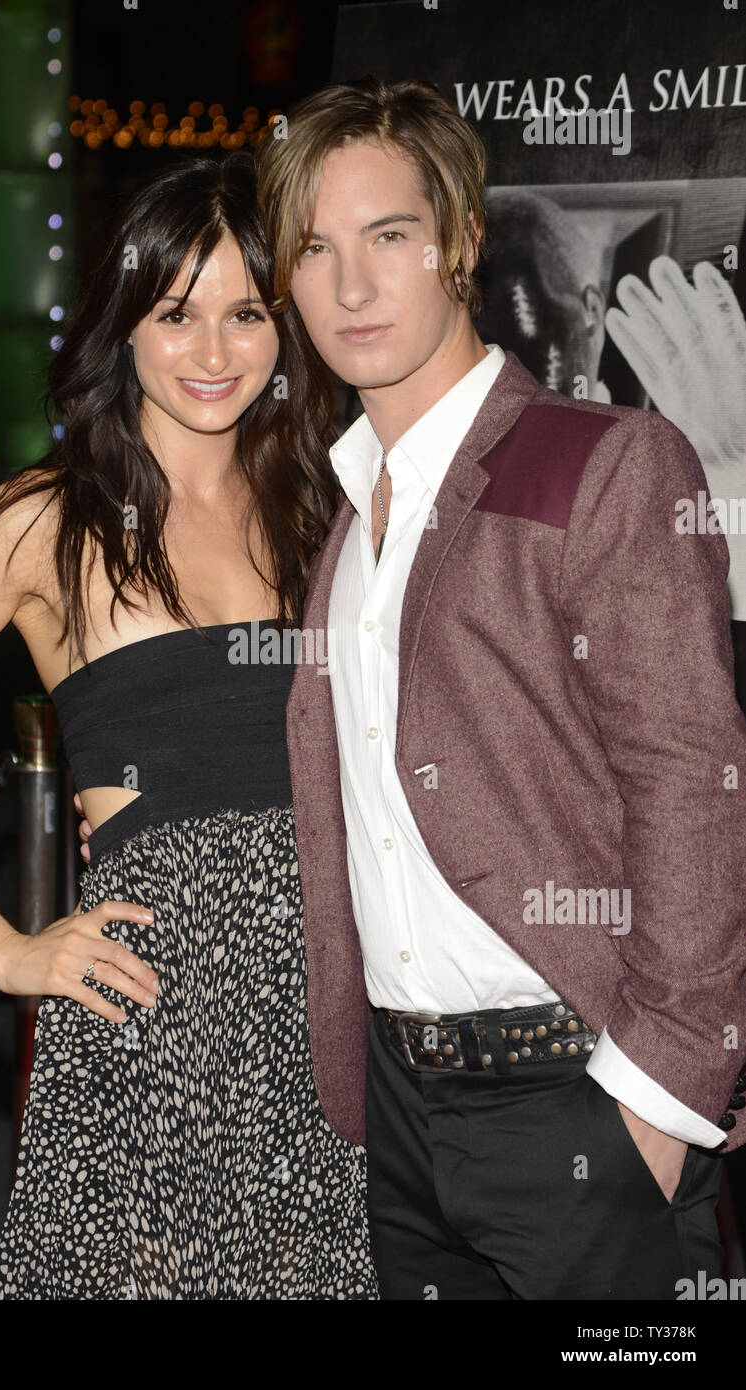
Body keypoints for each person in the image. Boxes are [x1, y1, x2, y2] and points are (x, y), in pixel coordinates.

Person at [0, 153, 378, 1300]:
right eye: (175, 315)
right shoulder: (42, 519)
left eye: (245, 314)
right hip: (152, 1012)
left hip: (332, 1000)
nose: (214, 353)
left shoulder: (328, 507)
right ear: (123, 323)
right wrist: (0, 944)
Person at [249, 75, 746, 1299]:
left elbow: (692, 784)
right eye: (314, 248)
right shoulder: (347, 518)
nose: (351, 287)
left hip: (581, 1094)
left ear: (460, 241)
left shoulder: (605, 460)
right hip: (402, 1115)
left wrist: (655, 1101)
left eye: (388, 236)